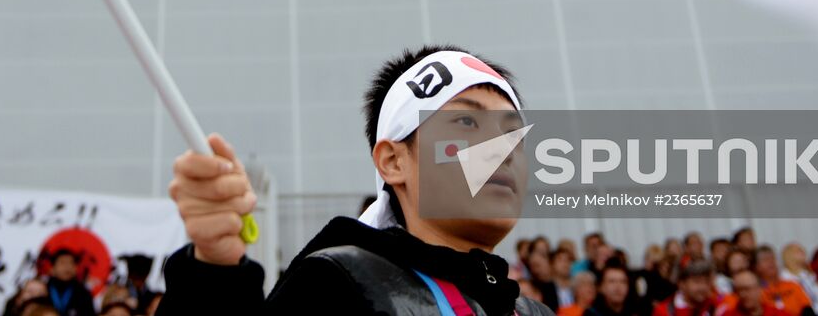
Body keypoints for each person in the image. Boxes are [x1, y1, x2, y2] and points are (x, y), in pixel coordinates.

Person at [158, 45, 554, 314]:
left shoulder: (533, 311)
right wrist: (212, 274)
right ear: (393, 161)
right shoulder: (338, 283)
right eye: (467, 121)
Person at [755, 247, 810, 316]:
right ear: (756, 267)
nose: (771, 262)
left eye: (773, 258)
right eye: (765, 260)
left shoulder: (792, 285)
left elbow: (807, 308)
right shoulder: (756, 292)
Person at [653, 261, 718, 316]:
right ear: (681, 284)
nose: (703, 287)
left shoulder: (715, 306)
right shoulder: (664, 311)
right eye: (697, 282)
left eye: (706, 282)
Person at [780, 243, 818, 316]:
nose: (803, 252)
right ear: (789, 255)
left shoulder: (807, 274)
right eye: (798, 251)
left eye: (802, 250)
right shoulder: (784, 277)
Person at [720, 270, 786, 316]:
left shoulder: (777, 314)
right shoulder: (728, 315)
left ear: (759, 289)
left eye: (747, 289)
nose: (743, 294)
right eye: (739, 290)